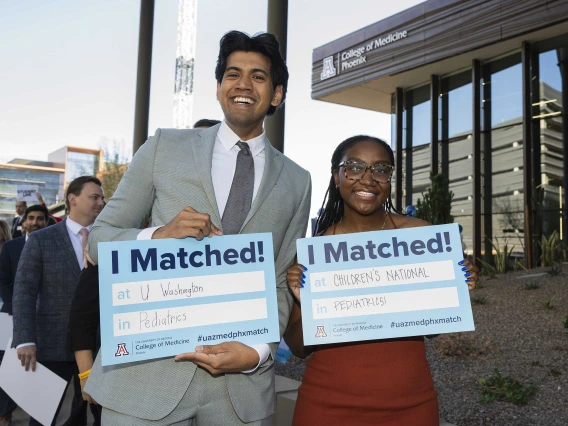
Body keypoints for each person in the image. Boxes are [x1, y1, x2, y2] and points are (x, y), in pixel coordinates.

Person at [84, 30, 311, 426]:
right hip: (146, 380)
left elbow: (278, 282)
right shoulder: (163, 147)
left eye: (258, 76)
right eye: (232, 74)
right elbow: (98, 242)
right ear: (220, 87)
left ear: (276, 94)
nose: (243, 84)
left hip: (239, 396)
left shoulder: (297, 181)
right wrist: (157, 235)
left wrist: (257, 352)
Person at [284, 135, 479, 426]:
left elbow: (432, 331)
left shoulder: (421, 237)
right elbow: (299, 349)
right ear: (337, 177)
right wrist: (307, 300)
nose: (368, 179)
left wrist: (455, 288)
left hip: (411, 407)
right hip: (326, 408)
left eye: (380, 169)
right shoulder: (314, 253)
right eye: (354, 167)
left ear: (390, 179)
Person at [12, 176, 105, 426]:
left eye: (102, 198)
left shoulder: (108, 239)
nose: (101, 202)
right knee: (43, 416)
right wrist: (25, 339)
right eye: (94, 197)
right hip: (52, 342)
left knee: (101, 414)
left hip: (97, 345)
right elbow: (24, 290)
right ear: (73, 199)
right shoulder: (42, 240)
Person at [0, 204, 49, 426]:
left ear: (47, 222)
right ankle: (5, 413)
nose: (35, 222)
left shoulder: (52, 246)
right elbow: (3, 280)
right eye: (31, 218)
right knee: (6, 367)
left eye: (40, 218)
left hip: (45, 319)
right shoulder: (11, 247)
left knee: (36, 369)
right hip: (11, 315)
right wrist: (16, 307)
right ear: (24, 221)